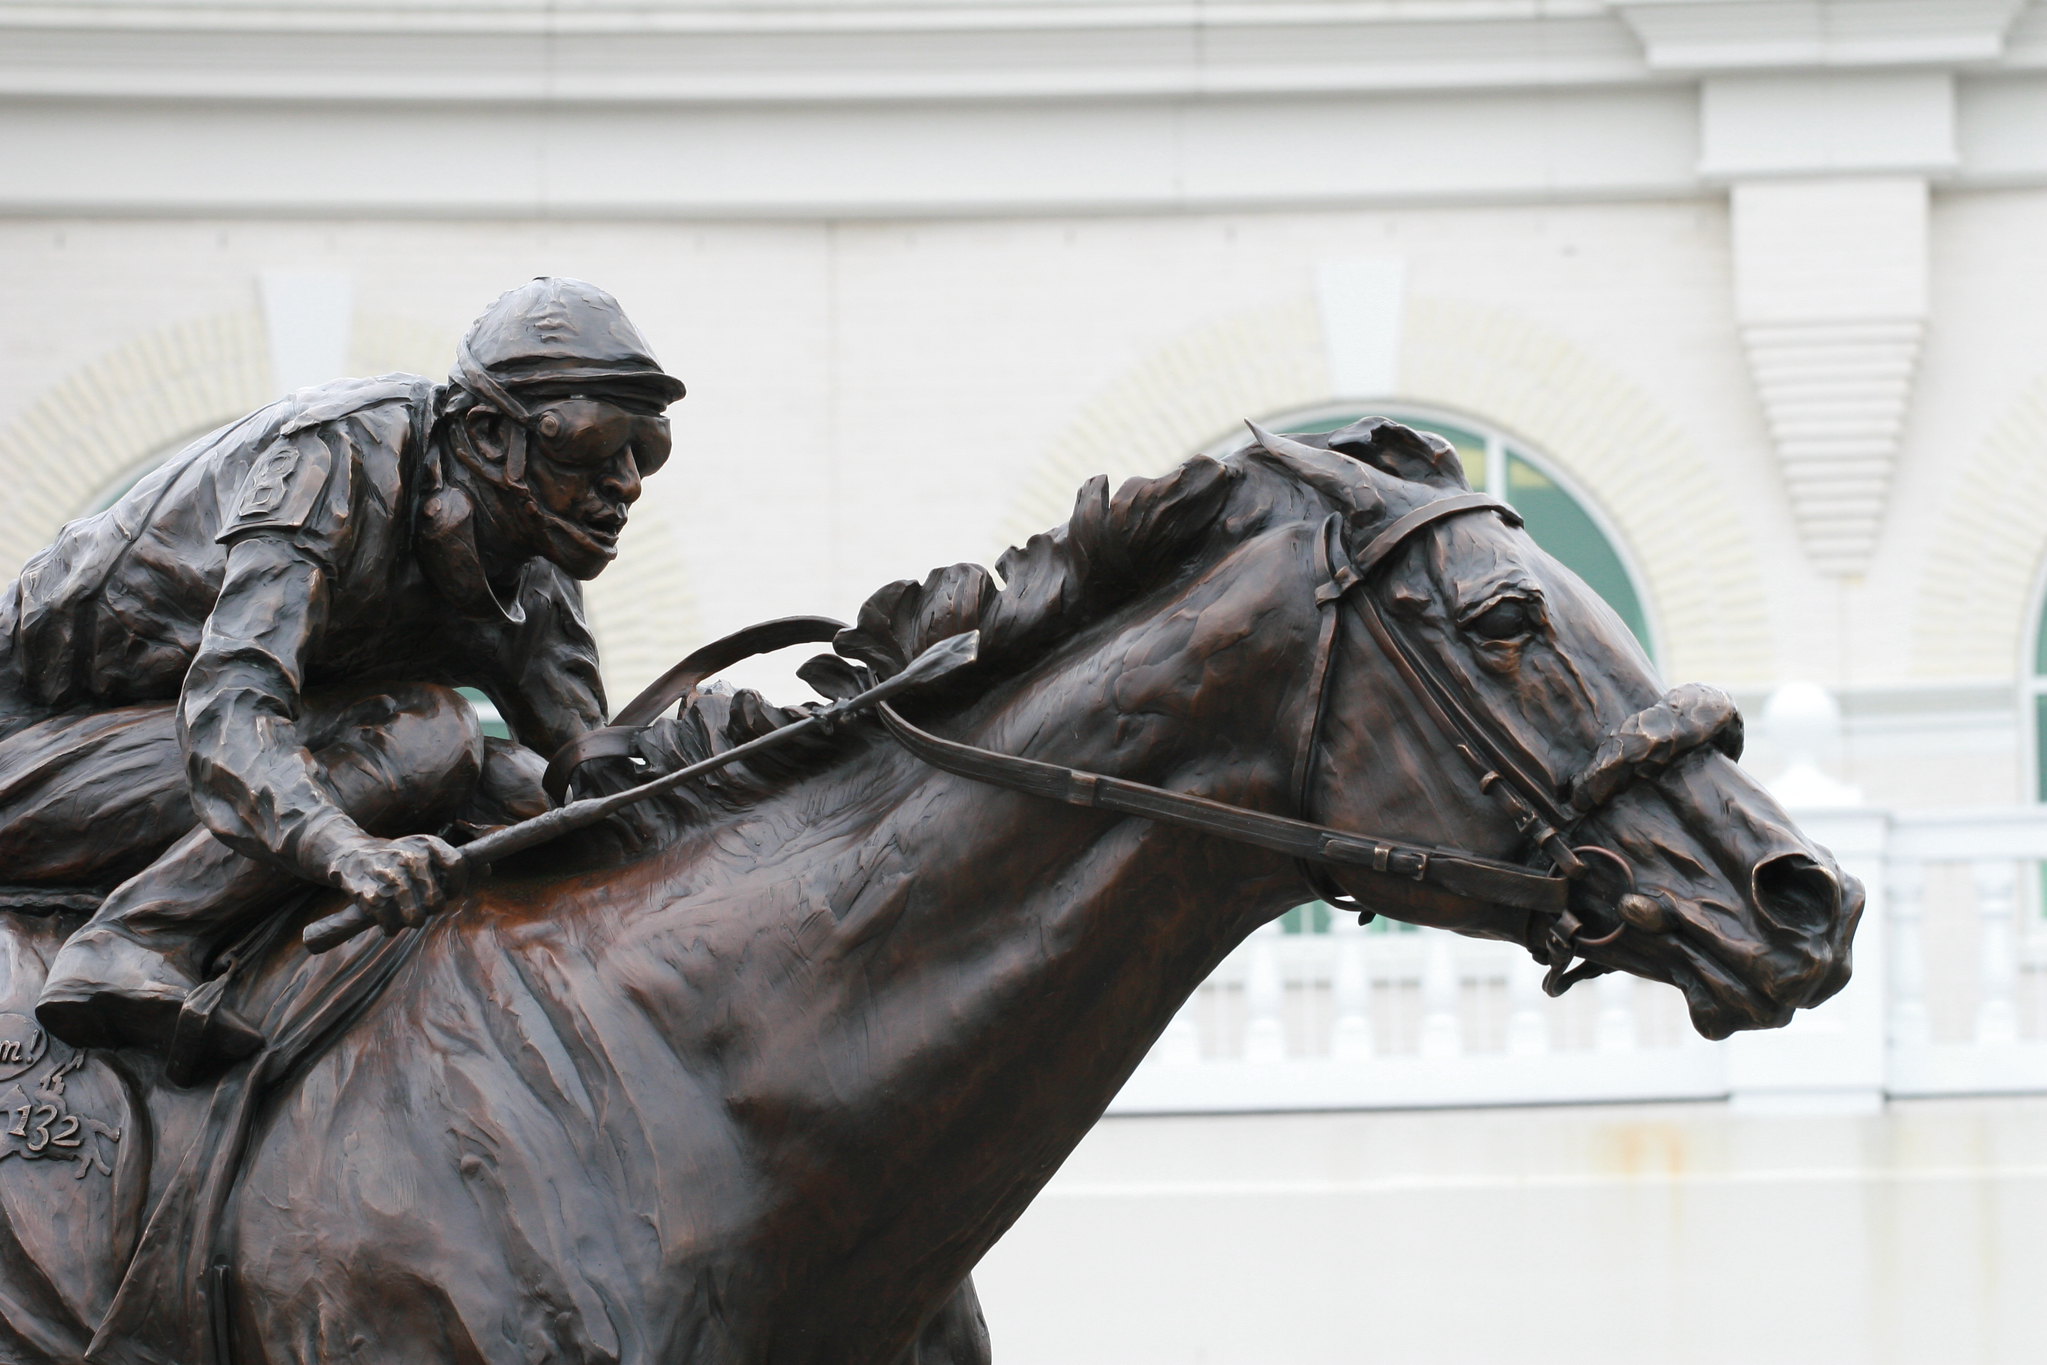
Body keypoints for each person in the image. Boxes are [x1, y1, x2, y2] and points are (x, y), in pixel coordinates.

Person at [0, 276, 682, 1080]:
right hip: (40, 755)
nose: (626, 483)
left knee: (516, 787)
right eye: (595, 443)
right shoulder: (332, 456)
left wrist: (739, 756)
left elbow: (583, 771)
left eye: (647, 449)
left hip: (185, 759)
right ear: (491, 432)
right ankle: (133, 939)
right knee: (433, 734)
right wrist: (343, 849)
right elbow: (231, 709)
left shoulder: (534, 554)